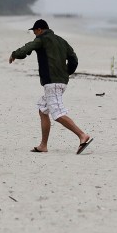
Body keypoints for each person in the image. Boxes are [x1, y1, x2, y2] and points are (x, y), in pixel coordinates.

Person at [9, 19, 94, 154]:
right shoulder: (61, 41)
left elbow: (28, 47)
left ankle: (82, 135)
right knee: (43, 109)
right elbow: (73, 59)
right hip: (61, 81)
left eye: (35, 31)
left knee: (57, 113)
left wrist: (15, 54)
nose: (34, 34)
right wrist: (66, 72)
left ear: (40, 30)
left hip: (52, 82)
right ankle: (43, 145)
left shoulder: (42, 39)